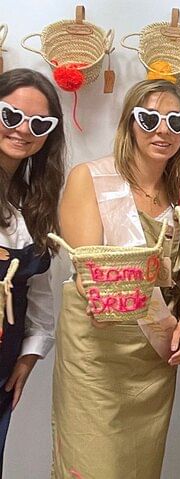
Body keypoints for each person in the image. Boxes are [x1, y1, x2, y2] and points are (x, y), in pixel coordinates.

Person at [52, 80, 180, 478]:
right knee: (92, 462)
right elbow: (90, 274)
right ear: (129, 122)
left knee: (140, 466)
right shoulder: (91, 177)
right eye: (149, 118)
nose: (162, 130)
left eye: (175, 120)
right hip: (97, 351)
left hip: (152, 356)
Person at [0, 68, 65, 474]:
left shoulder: (32, 203)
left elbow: (38, 287)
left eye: (39, 123)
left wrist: (29, 355)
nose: (24, 130)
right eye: (11, 116)